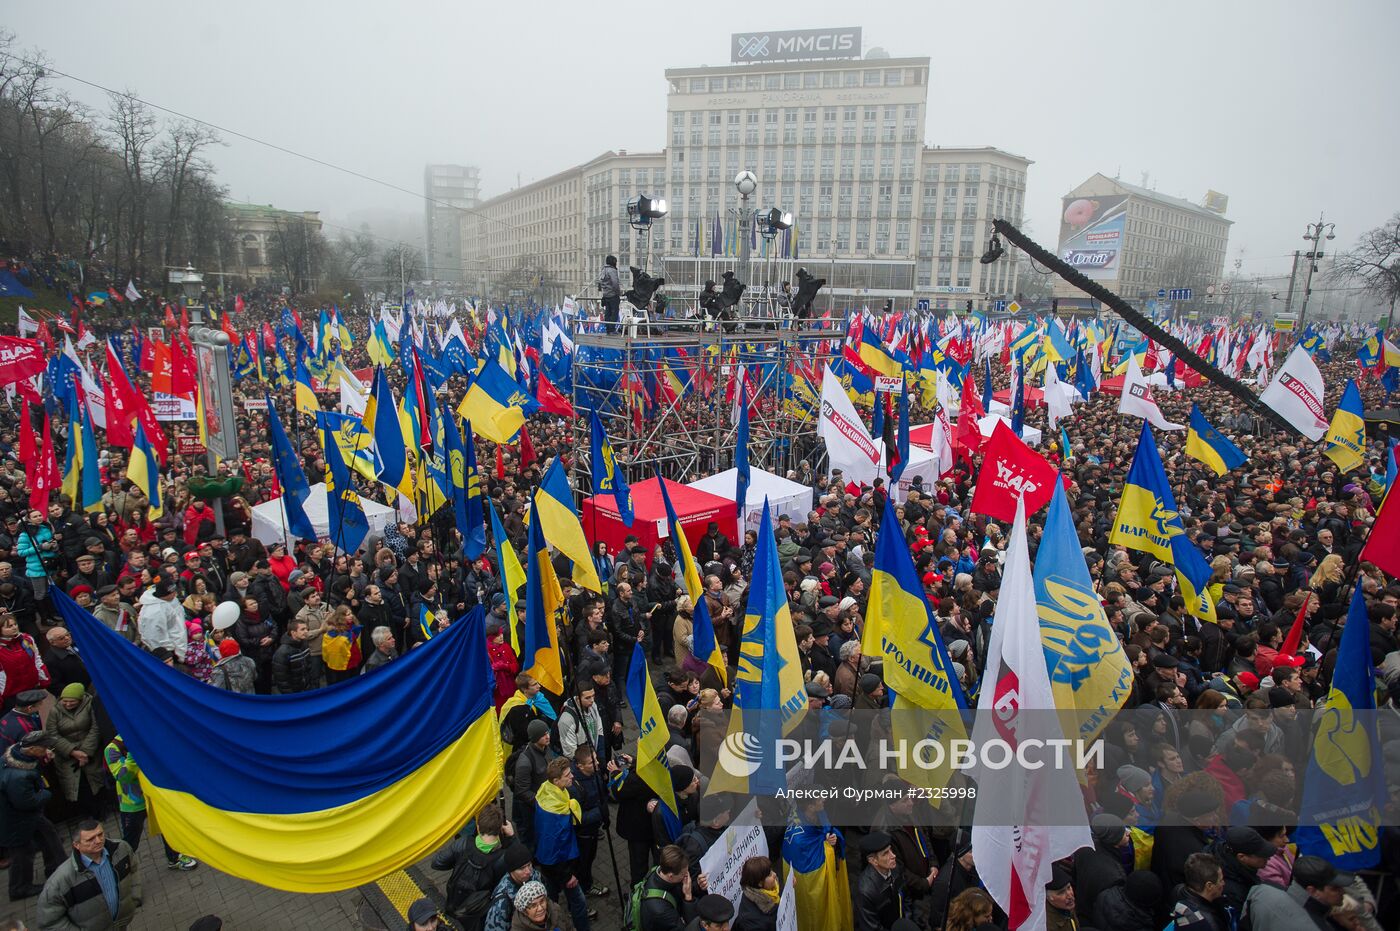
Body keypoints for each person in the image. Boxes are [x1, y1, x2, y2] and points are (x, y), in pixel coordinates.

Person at [103, 735, 198, 871]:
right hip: (133, 804)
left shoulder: (147, 736)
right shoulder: (112, 748)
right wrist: (133, 754)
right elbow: (123, 777)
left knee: (168, 827)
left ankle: (175, 858)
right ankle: (120, 868)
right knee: (131, 839)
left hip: (155, 796)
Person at [36, 820, 140, 930]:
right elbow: (48, 921)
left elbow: (134, 869)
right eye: (90, 839)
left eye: (100, 834)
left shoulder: (121, 849)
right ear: (77, 845)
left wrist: (135, 898)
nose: (98, 841)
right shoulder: (61, 879)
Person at [431, 802, 517, 931]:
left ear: (477, 826)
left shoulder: (462, 843)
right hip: (480, 913)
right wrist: (512, 837)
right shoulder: (503, 858)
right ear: (500, 829)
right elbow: (523, 866)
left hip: (455, 906)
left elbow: (436, 863)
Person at [1, 732, 64, 900]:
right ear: (33, 749)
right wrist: (45, 793)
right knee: (22, 852)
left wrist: (43, 757)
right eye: (44, 747)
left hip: (22, 817)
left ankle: (56, 867)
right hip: (16, 820)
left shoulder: (17, 754)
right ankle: (19, 888)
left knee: (48, 836)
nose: (47, 749)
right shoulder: (18, 777)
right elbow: (27, 802)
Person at [1243, 854, 1352, 930]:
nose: (1343, 892)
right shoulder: (1315, 927)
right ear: (1312, 890)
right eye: (1335, 888)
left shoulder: (1262, 891)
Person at [44, 682, 106, 817]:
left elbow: (95, 729)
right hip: (68, 756)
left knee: (95, 783)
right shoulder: (55, 711)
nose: (67, 704)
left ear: (80, 699)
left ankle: (100, 812)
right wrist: (73, 752)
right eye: (65, 701)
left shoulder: (90, 705)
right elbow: (52, 734)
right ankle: (84, 814)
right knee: (77, 787)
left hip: (90, 753)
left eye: (71, 702)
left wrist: (85, 752)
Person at [636, 844, 699, 930]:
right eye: (684, 874)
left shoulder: (658, 870)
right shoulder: (660, 910)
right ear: (671, 876)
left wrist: (698, 885)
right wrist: (688, 897)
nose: (686, 877)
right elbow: (689, 927)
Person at [1167, 852, 1233, 931]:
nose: (1223, 883)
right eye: (1221, 880)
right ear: (1209, 886)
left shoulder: (1178, 893)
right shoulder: (1208, 924)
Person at [853, 831, 904, 931]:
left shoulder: (895, 868)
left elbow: (905, 898)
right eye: (886, 853)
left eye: (891, 850)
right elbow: (872, 928)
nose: (893, 855)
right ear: (873, 860)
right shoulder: (865, 891)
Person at [484, 842, 540, 931]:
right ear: (511, 871)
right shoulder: (502, 902)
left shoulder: (534, 875)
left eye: (529, 865)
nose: (528, 871)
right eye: (522, 868)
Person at [732, 856, 780, 931]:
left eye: (772, 870)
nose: (775, 874)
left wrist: (789, 886)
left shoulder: (771, 888)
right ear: (760, 883)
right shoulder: (754, 924)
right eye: (769, 875)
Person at [271, 618, 315, 693]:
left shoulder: (305, 644)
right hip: (294, 693)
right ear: (293, 633)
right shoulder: (282, 653)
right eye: (302, 629)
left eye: (307, 629)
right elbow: (281, 679)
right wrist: (290, 695)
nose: (306, 631)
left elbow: (309, 667)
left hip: (306, 689)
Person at [1044, 865, 1077, 931]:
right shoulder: (1047, 925)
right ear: (1048, 897)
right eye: (1061, 892)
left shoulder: (1065, 906)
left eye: (1069, 887)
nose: (1069, 895)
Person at [597, 255, 621, 324]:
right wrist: (618, 293)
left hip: (605, 295)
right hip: (613, 295)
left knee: (607, 312)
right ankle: (612, 329)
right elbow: (615, 283)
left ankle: (608, 328)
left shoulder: (603, 269)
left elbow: (600, 282)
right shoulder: (612, 270)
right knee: (614, 313)